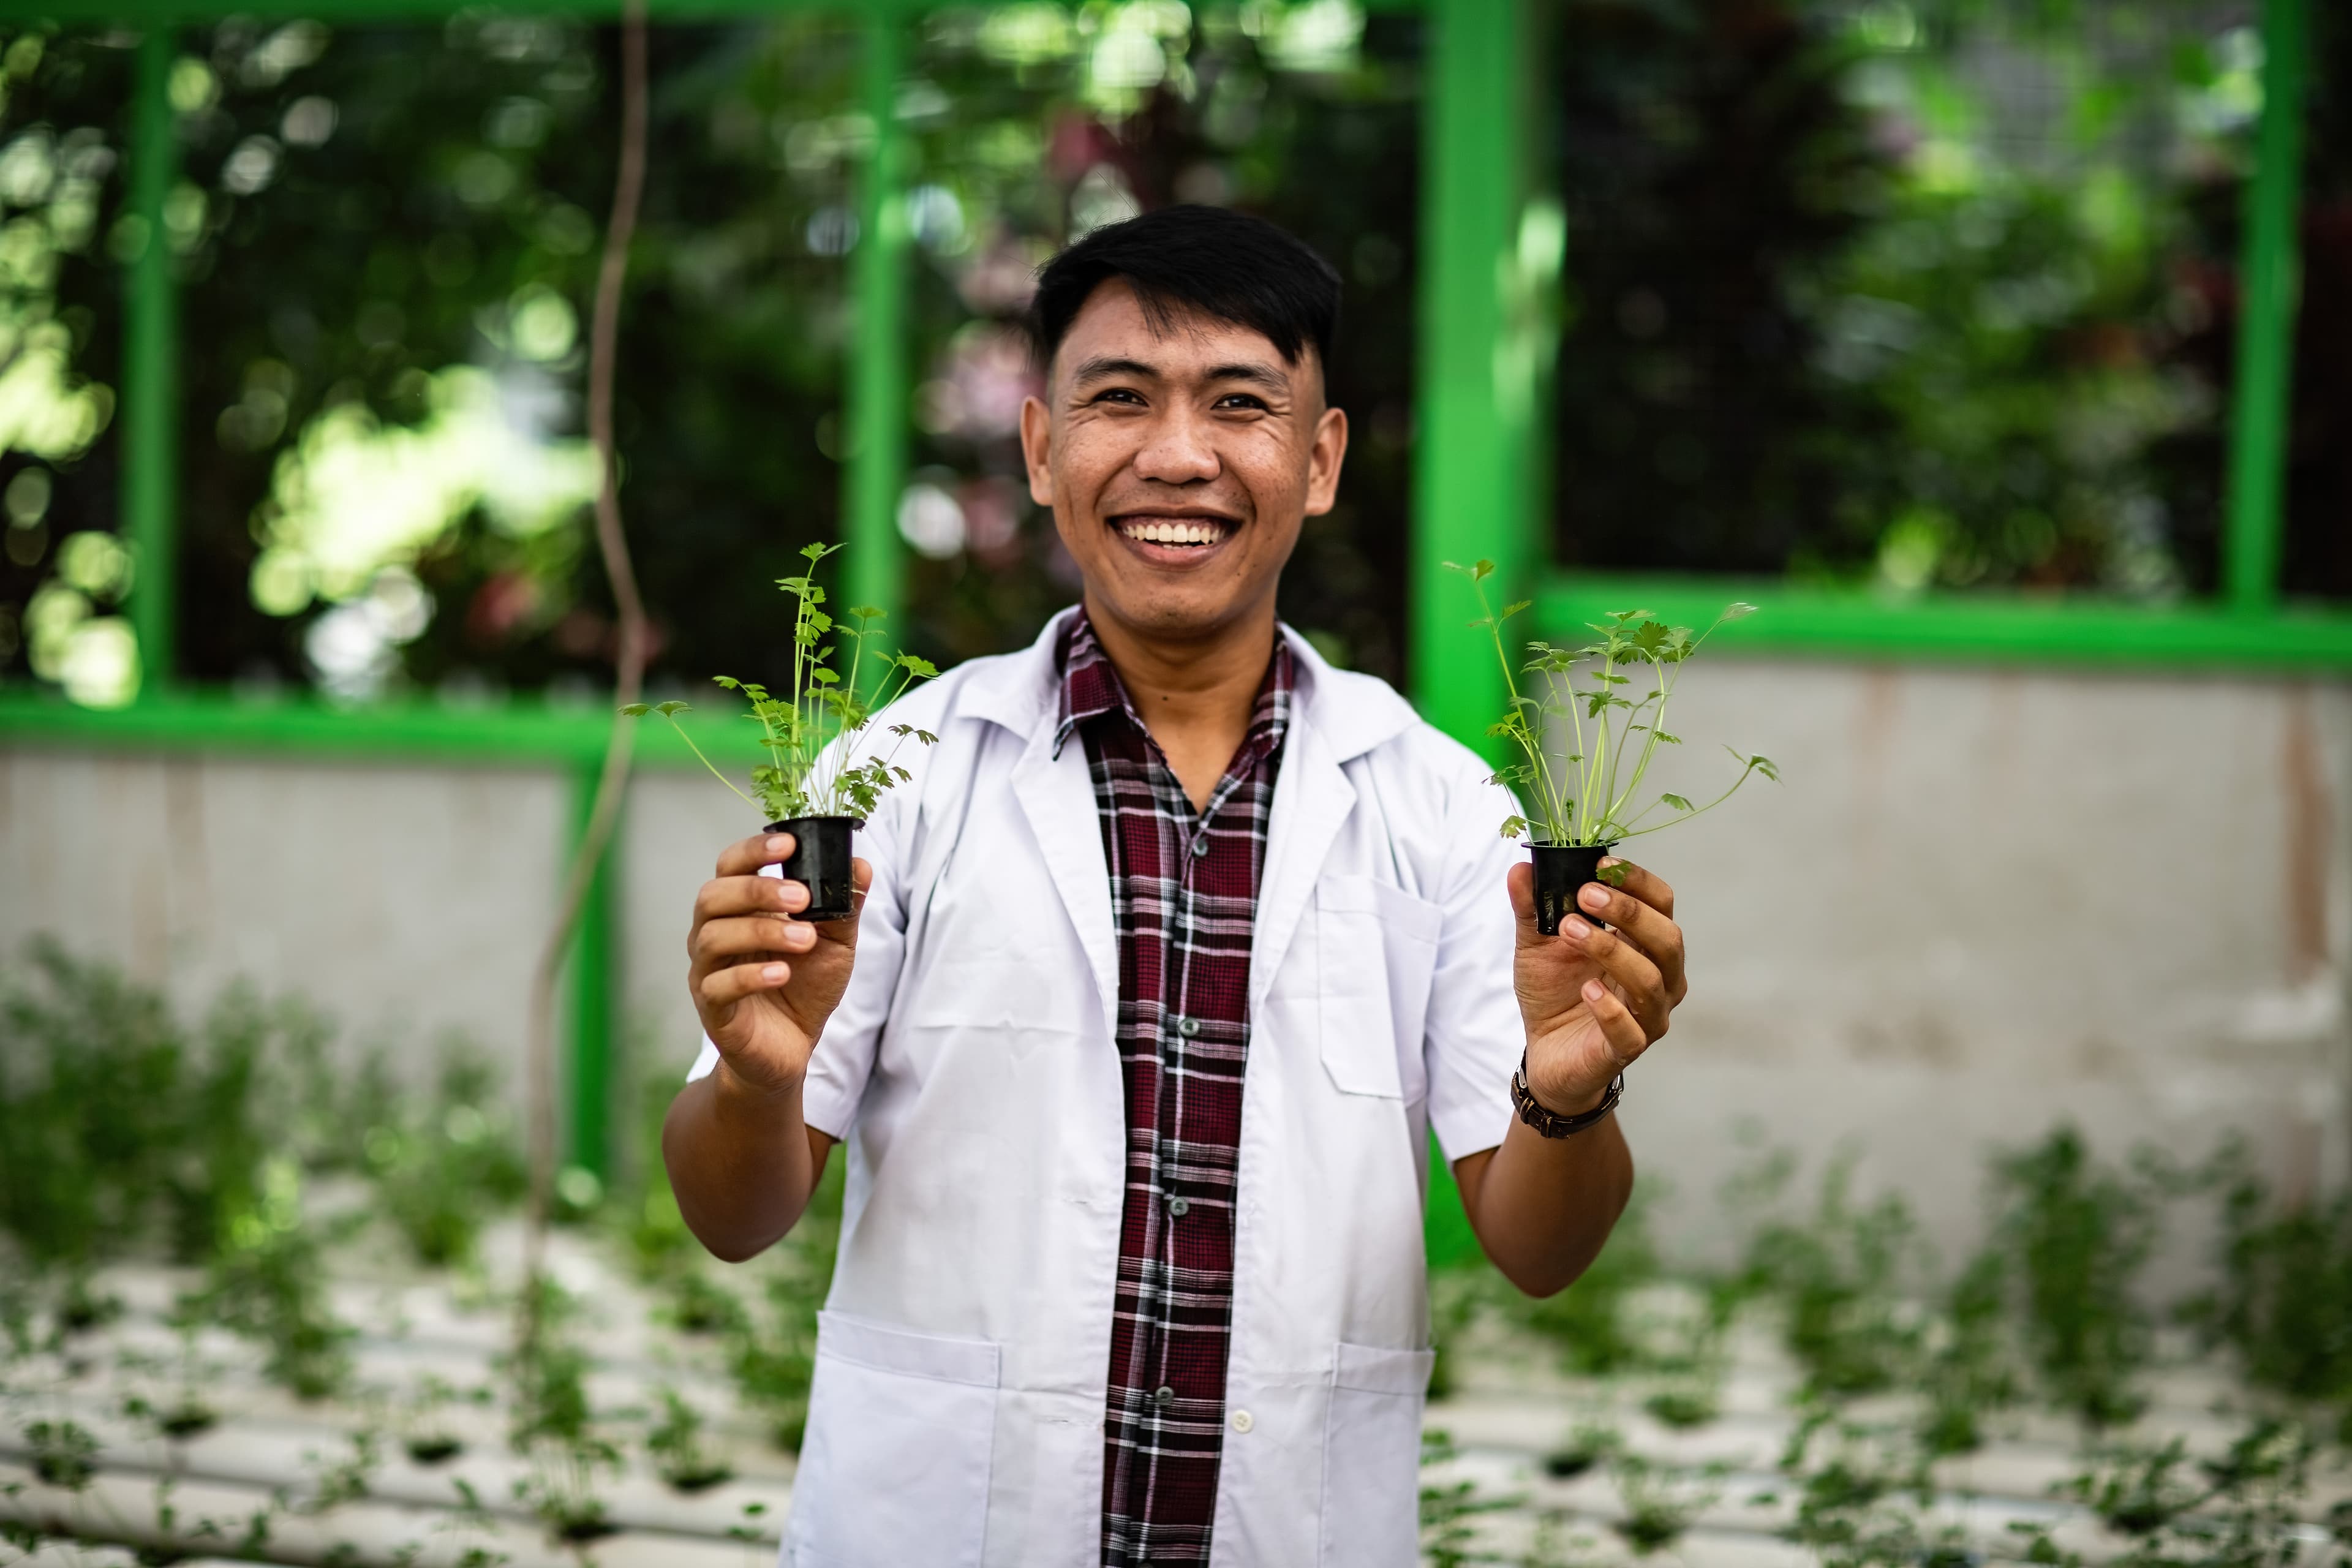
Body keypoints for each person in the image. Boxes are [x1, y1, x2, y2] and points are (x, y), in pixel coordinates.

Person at [663, 204, 1689, 1568]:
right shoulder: (897, 775)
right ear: (1042, 446)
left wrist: (1568, 1093)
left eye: (1241, 403)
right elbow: (736, 1215)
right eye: (1120, 399)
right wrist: (753, 1077)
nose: (1178, 455)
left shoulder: (1437, 804)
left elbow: (1543, 1250)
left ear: (1319, 459)